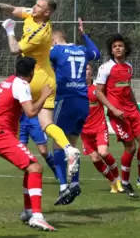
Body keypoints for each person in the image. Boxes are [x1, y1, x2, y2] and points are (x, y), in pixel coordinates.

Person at [0, 0, 80, 180]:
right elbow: (13, 8)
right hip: (48, 78)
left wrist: (10, 30)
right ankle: (69, 149)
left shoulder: (39, 33)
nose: (34, 7)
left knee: (19, 107)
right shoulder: (34, 14)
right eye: (35, 4)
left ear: (47, 13)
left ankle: (5, 136)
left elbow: (15, 49)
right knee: (46, 124)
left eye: (39, 6)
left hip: (35, 77)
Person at [0, 56, 56, 232]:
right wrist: (45, 96)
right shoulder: (22, 85)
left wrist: (5, 104)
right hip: (2, 135)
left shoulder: (5, 83)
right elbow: (31, 112)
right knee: (35, 168)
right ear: (31, 73)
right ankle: (37, 216)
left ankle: (28, 211)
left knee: (30, 167)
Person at [95, 34, 140, 198]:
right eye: (114, 46)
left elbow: (128, 91)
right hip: (118, 114)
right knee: (131, 147)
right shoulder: (106, 68)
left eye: (120, 45)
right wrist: (113, 109)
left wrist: (138, 109)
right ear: (111, 50)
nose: (117, 48)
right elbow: (98, 92)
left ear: (125, 48)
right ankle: (126, 182)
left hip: (132, 111)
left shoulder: (129, 66)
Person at [49, 19, 100, 205]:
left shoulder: (56, 50)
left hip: (65, 99)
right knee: (71, 144)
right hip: (82, 101)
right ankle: (75, 182)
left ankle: (63, 187)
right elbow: (96, 53)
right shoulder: (81, 49)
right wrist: (84, 35)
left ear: (54, 41)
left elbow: (38, 59)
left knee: (57, 144)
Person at [0, 90, 56, 178]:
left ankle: (58, 173)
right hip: (21, 121)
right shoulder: (13, 86)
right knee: (22, 152)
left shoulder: (29, 85)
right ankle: (30, 179)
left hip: (34, 120)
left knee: (43, 151)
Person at [81, 63, 123, 193]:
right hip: (84, 131)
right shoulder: (77, 89)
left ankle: (118, 179)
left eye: (87, 69)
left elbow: (110, 100)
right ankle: (112, 182)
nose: (84, 71)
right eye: (82, 69)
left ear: (91, 71)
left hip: (99, 127)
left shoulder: (98, 89)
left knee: (103, 152)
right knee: (95, 158)